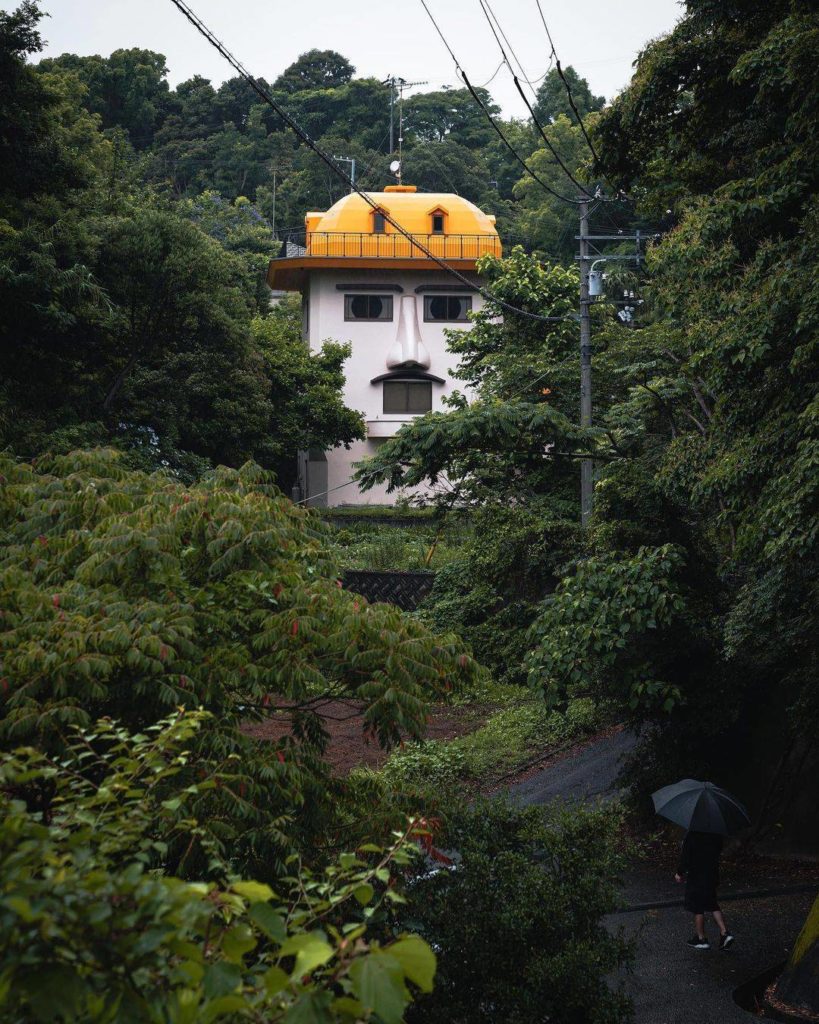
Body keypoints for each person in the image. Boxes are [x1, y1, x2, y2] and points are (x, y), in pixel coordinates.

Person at [674, 829, 735, 950]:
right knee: (712, 903)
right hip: (712, 874)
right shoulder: (716, 834)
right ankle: (725, 933)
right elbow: (718, 851)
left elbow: (686, 856)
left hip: (697, 875)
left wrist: (679, 872)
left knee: (698, 906)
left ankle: (701, 938)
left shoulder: (693, 834)